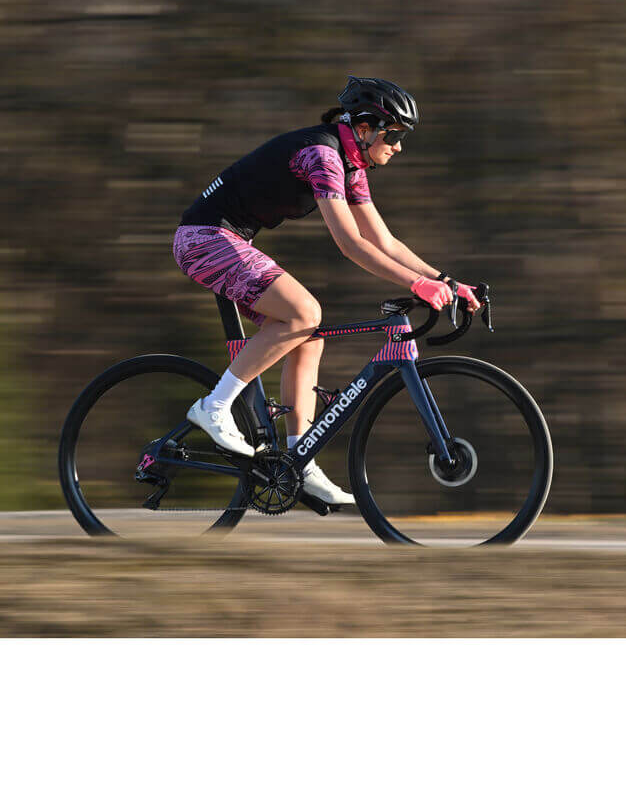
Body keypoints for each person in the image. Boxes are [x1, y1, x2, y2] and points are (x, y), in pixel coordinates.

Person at [172, 76, 482, 505]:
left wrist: (446, 281)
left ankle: (300, 459)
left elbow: (384, 241)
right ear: (365, 128)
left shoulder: (352, 165)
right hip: (203, 238)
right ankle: (214, 406)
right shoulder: (322, 155)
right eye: (394, 136)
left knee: (308, 336)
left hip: (229, 239)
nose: (398, 147)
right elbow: (351, 244)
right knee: (304, 313)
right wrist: (417, 284)